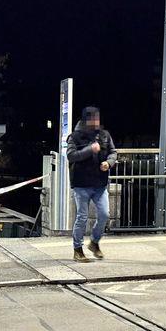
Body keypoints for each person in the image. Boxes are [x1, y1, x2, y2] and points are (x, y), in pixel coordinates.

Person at [66, 106, 117, 262]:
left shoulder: (105, 135)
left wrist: (109, 163)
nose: (95, 122)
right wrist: (90, 149)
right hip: (81, 184)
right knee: (82, 216)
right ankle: (77, 249)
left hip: (100, 183)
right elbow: (71, 156)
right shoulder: (74, 137)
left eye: (97, 118)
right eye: (92, 119)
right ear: (85, 120)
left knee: (104, 214)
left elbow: (113, 152)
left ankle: (94, 242)